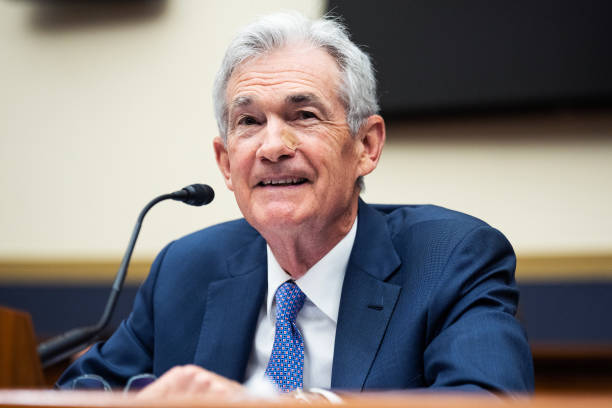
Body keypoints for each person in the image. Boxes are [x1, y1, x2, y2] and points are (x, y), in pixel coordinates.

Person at [57, 12, 534, 397]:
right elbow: (82, 391)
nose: (272, 147)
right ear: (226, 163)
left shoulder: (451, 259)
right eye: (249, 122)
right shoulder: (186, 270)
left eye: (303, 115)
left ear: (366, 146)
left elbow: (488, 398)